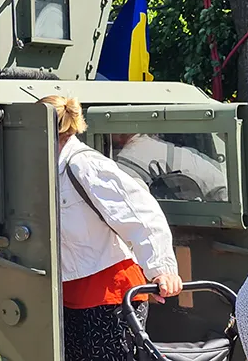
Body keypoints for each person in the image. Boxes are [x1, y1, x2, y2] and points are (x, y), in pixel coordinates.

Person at [39, 95, 183, 361]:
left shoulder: (85, 164)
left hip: (109, 294)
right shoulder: (49, 167)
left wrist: (161, 270)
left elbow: (140, 213)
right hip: (71, 293)